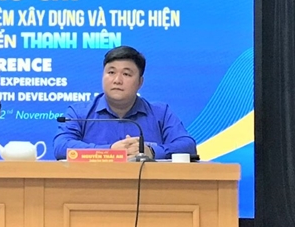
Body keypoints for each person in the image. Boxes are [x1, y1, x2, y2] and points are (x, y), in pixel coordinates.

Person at [54, 45, 196, 161]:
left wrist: (152, 151)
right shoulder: (79, 113)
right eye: (111, 72)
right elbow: (61, 146)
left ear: (140, 82)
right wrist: (109, 152)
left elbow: (188, 146)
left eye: (126, 74)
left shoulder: (160, 113)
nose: (117, 80)